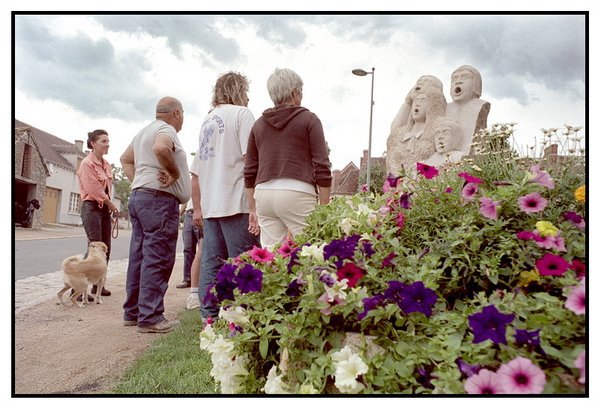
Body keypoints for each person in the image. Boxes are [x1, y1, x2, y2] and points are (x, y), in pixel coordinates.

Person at [192, 72, 260, 324]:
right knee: (244, 263)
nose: (248, 96)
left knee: (212, 263)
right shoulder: (242, 114)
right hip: (236, 199)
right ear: (238, 90)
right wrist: (254, 203)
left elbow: (196, 170)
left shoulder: (208, 120)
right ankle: (248, 314)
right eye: (245, 90)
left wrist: (198, 207)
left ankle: (208, 317)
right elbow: (250, 159)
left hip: (212, 204)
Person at [120, 96, 191, 333]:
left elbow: (125, 159)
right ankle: (150, 316)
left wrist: (141, 181)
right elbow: (161, 148)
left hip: (140, 197)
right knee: (157, 257)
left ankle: (133, 312)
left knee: (139, 256)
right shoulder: (165, 129)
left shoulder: (143, 132)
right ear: (177, 113)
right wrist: (174, 173)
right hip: (159, 201)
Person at [244, 68, 332, 248]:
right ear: (294, 92)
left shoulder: (258, 125)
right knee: (310, 251)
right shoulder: (309, 119)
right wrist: (324, 208)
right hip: (297, 191)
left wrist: (252, 207)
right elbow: (322, 167)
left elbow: (249, 170)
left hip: (264, 194)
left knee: (271, 257)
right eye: (300, 92)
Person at [76, 129, 119, 300]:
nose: (107, 144)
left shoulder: (106, 164)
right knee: (94, 249)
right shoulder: (87, 164)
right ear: (93, 143)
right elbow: (94, 189)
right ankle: (77, 289)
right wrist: (110, 203)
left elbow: (107, 187)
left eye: (108, 141)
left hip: (103, 209)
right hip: (91, 207)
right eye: (103, 141)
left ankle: (98, 285)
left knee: (105, 248)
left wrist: (108, 206)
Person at [386, 85, 447, 176]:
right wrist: (400, 181)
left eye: (423, 100)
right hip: (398, 186)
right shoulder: (398, 134)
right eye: (415, 100)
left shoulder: (439, 131)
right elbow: (390, 161)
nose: (417, 104)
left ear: (432, 105)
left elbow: (444, 161)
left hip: (425, 186)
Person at [445, 64, 491, 152]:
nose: (458, 82)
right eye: (454, 79)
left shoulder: (480, 105)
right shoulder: (446, 108)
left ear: (475, 83)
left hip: (465, 160)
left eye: (464, 77)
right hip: (444, 160)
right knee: (423, 165)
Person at [176, 198, 201, 289]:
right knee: (188, 248)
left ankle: (201, 279)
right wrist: (178, 215)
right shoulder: (190, 184)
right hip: (189, 215)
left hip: (201, 213)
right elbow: (186, 201)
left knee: (202, 249)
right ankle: (187, 278)